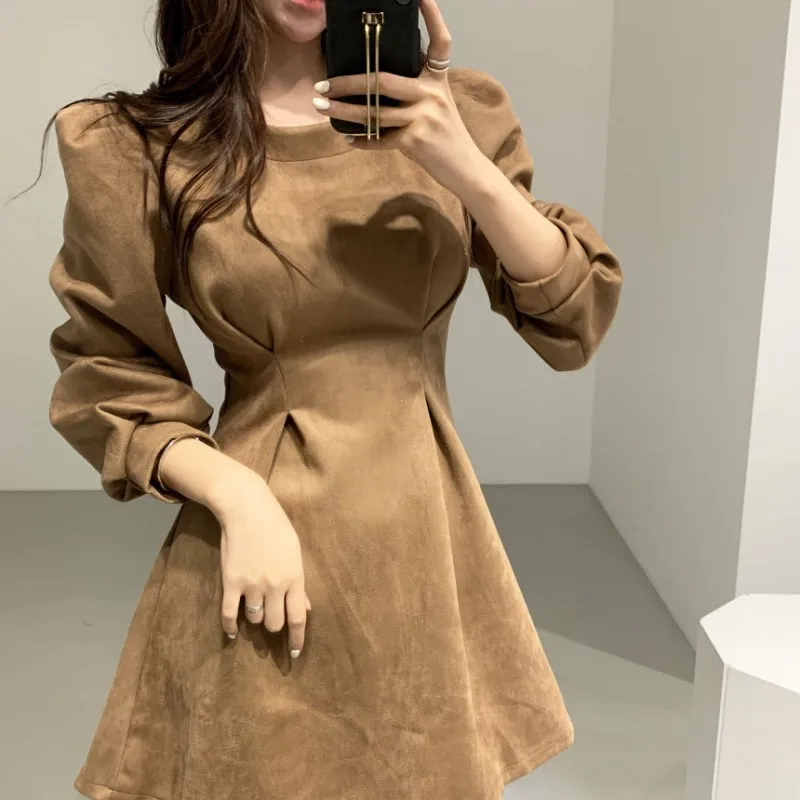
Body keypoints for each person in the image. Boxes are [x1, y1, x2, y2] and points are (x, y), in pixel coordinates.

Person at [44, 0, 622, 797]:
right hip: (267, 551)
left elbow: (575, 318)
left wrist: (464, 164)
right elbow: (104, 370)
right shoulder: (140, 147)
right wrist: (240, 497)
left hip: (428, 543)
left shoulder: (458, 114)